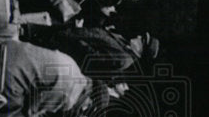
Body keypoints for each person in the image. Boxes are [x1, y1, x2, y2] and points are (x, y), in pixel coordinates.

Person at [20, 24, 156, 78]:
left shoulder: (123, 59)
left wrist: (76, 40)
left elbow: (90, 57)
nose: (138, 36)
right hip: (65, 37)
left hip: (62, 48)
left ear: (141, 52)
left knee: (22, 47)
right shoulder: (123, 43)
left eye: (142, 40)